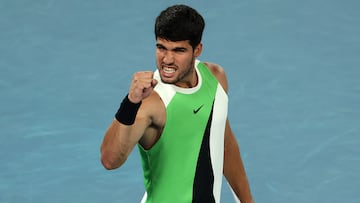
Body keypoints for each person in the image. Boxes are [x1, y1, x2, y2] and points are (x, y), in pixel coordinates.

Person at [100, 4, 254, 203]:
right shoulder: (151, 103)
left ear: (197, 49)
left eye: (178, 50)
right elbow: (109, 160)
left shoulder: (215, 79)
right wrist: (130, 103)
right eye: (161, 48)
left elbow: (224, 144)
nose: (168, 60)